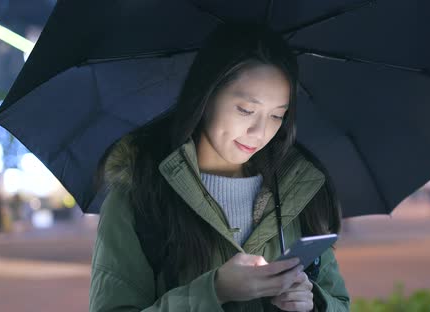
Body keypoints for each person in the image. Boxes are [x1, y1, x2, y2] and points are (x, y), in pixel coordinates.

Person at [89, 23, 349, 311]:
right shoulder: (141, 194)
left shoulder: (295, 188)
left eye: (277, 116)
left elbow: (340, 302)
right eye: (246, 110)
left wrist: (314, 304)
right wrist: (215, 290)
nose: (260, 132)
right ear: (207, 96)